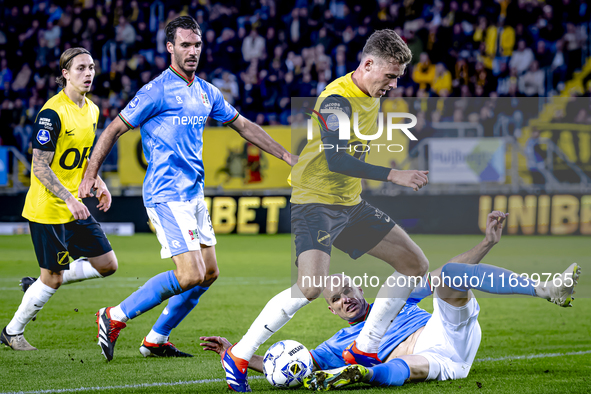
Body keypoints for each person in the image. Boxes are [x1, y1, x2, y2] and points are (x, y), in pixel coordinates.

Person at [220, 29, 430, 392]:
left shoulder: (370, 94)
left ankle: (364, 350)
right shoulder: (336, 100)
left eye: (398, 77)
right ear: (367, 64)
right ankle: (239, 356)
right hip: (315, 200)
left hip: (349, 203)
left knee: (415, 265)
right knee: (311, 287)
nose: (394, 84)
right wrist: (394, 174)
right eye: (390, 76)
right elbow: (335, 159)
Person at [78, 16, 295, 361]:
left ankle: (155, 339)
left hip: (194, 195)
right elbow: (113, 130)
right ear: (170, 48)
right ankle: (114, 315)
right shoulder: (156, 90)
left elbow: (243, 125)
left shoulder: (207, 92)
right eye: (185, 45)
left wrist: (286, 155)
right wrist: (91, 174)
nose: (192, 51)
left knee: (208, 274)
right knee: (190, 273)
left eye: (196, 45)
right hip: (165, 195)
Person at [200, 211, 580, 390]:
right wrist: (235, 354)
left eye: (348, 289)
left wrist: (485, 245)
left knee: (448, 273)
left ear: (361, 289)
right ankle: (365, 373)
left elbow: (451, 276)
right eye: (336, 298)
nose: (345, 297)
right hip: (435, 361)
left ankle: (548, 289)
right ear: (330, 310)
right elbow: (290, 366)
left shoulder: (395, 300)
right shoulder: (334, 347)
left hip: (444, 331)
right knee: (400, 367)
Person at [1, 48, 118, 351]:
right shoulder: (52, 113)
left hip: (72, 206)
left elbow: (80, 160)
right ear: (65, 73)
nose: (88, 73)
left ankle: (35, 286)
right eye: (80, 68)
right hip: (48, 209)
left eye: (91, 67)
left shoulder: (92, 110)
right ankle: (12, 332)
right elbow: (39, 166)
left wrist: (98, 183)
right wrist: (69, 198)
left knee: (107, 264)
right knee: (52, 279)